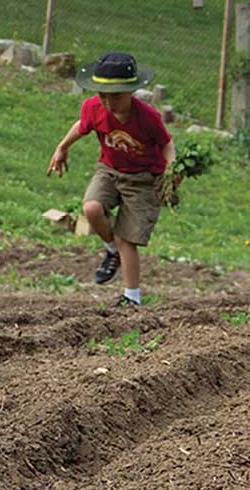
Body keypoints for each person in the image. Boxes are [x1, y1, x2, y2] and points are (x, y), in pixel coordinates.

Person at [47, 52, 176, 307]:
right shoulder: (94, 108)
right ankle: (111, 250)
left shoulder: (148, 117)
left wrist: (171, 171)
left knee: (127, 237)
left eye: (116, 96)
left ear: (133, 92)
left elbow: (167, 143)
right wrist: (62, 147)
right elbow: (82, 125)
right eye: (103, 95)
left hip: (144, 179)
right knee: (91, 208)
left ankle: (132, 297)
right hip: (109, 170)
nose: (108, 102)